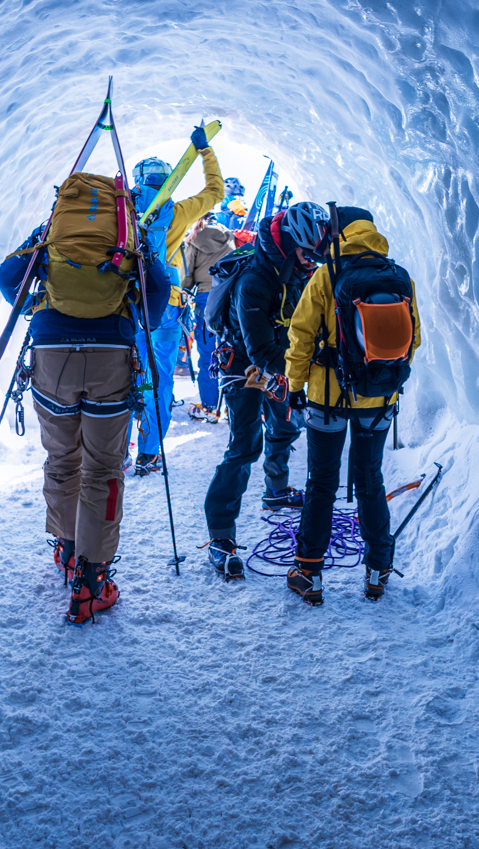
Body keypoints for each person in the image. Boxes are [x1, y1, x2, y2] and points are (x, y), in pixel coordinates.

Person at [0, 180, 174, 625]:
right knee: (102, 468)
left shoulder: (53, 228)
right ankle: (91, 584)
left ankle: (69, 551)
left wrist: (42, 308)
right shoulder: (131, 233)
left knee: (61, 459)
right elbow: (156, 301)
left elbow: (8, 277)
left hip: (51, 357)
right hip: (110, 357)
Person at [283, 206, 420, 605]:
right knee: (369, 480)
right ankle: (378, 571)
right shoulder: (400, 277)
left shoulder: (328, 274)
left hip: (328, 399)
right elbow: (414, 341)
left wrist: (295, 385)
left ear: (338, 232)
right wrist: (385, 382)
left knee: (321, 483)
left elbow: (301, 335)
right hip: (378, 402)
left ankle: (309, 572)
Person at [200, 201, 333, 578]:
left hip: (280, 358)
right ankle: (221, 535)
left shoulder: (298, 267)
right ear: (291, 244)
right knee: (244, 445)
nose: (313, 265)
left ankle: (276, 489)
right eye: (308, 256)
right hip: (242, 362)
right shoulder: (255, 280)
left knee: (288, 425)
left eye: (317, 258)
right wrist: (304, 372)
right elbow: (259, 349)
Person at [128, 127, 225, 475]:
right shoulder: (179, 212)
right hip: (166, 306)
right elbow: (216, 191)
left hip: (126, 305)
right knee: (160, 378)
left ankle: (116, 451)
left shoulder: (122, 209)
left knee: (122, 376)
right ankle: (149, 453)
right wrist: (205, 152)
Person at [181, 211, 237, 417]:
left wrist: (185, 291)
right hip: (231, 296)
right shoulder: (228, 235)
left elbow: (186, 272)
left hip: (206, 297)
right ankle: (232, 405)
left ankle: (210, 405)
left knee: (207, 353)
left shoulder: (194, 237)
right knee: (231, 350)